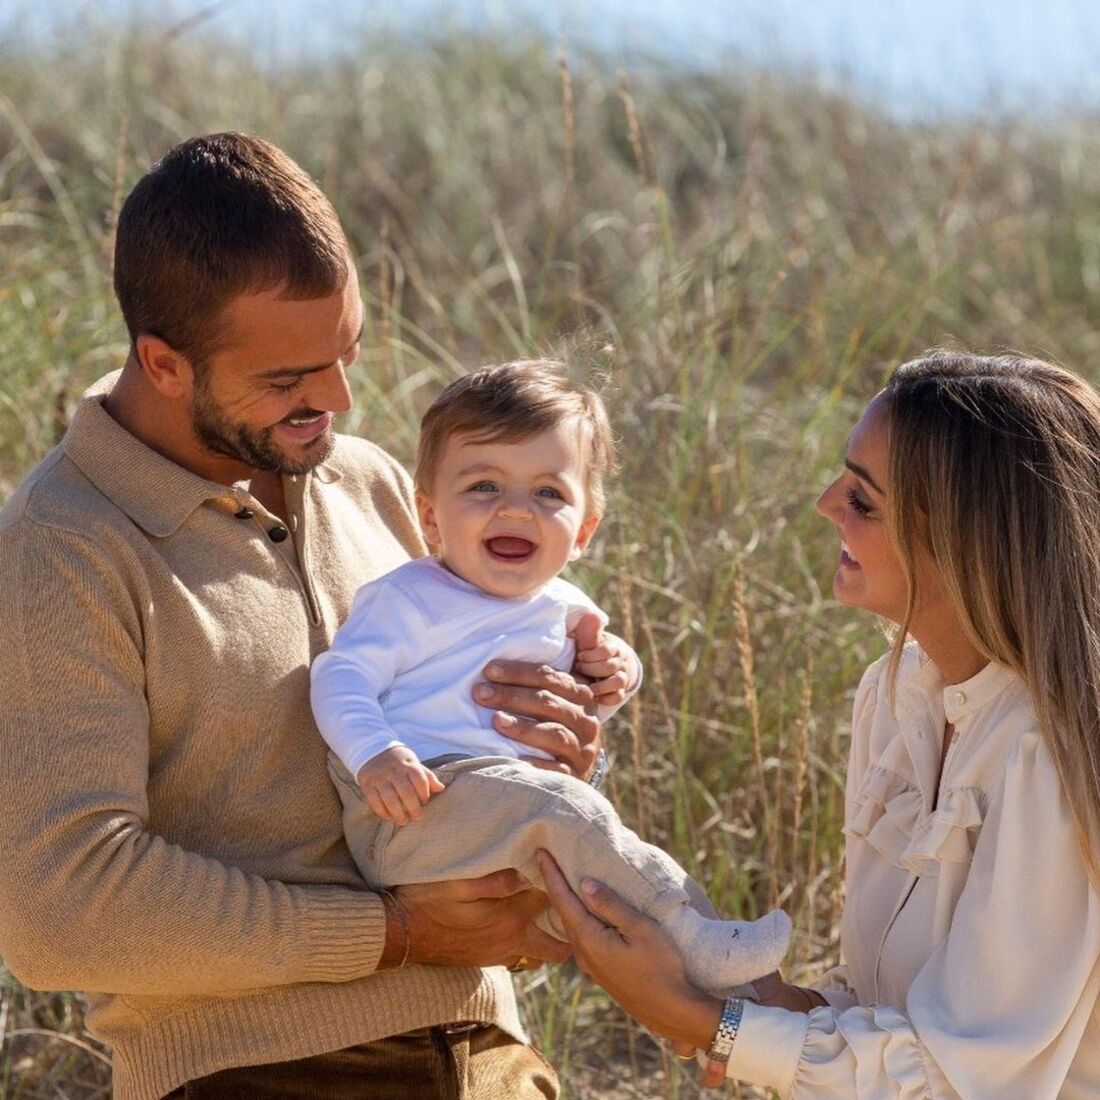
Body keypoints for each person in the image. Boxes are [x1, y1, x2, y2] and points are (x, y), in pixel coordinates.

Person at [0, 133, 613, 1100]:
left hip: (493, 1050)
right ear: (163, 363)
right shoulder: (62, 544)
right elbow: (59, 906)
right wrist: (396, 936)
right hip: (248, 1070)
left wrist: (552, 749)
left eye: (346, 353)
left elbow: (451, 746)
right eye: (288, 380)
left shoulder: (373, 483)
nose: (338, 400)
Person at [538, 350, 1100, 1098]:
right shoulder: (896, 696)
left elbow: (962, 1078)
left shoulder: (1047, 751)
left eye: (863, 500)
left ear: (967, 544)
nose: (826, 503)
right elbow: (888, 1008)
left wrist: (704, 1019)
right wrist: (744, 1002)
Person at [310, 361, 792, 996]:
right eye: (483, 487)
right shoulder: (408, 598)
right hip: (416, 809)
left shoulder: (566, 608)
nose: (517, 510)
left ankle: (723, 988)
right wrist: (376, 754)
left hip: (509, 810)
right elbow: (338, 675)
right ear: (429, 519)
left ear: (584, 529)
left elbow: (575, 715)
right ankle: (692, 932)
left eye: (549, 493)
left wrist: (616, 674)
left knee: (589, 861)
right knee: (568, 812)